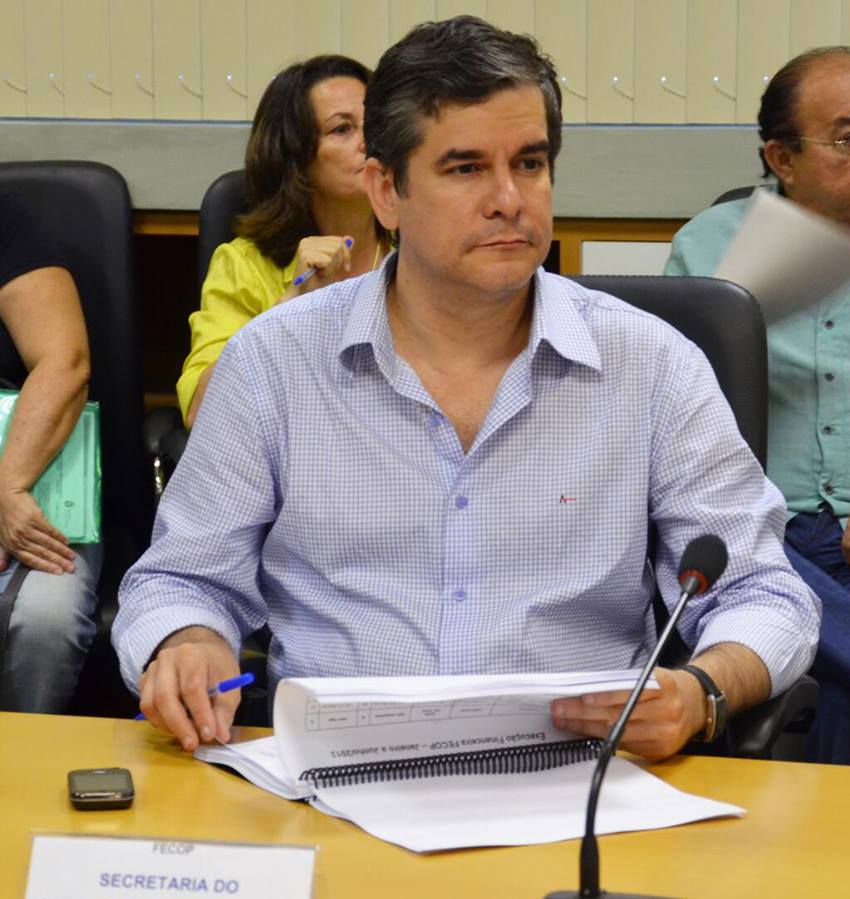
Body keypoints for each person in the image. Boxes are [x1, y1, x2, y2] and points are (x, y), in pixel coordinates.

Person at [114, 16, 818, 761]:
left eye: (530, 163)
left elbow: (763, 593)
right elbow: (181, 580)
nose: (509, 198)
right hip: (337, 779)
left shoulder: (651, 364)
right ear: (386, 191)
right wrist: (189, 642)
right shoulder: (275, 361)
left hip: (578, 781)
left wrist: (702, 691)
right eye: (466, 169)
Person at [664, 46, 850, 763]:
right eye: (846, 138)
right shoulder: (712, 249)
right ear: (781, 157)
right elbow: (672, 418)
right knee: (771, 600)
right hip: (767, 526)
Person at [177, 54, 389, 426]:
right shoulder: (245, 265)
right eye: (342, 129)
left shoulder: (417, 248)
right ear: (296, 157)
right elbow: (201, 410)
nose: (368, 142)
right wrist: (293, 302)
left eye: (374, 124)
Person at [0, 191, 101, 713]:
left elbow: (66, 361)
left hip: (26, 467)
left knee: (44, 618)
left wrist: (7, 487)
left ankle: (23, 754)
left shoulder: (6, 220)